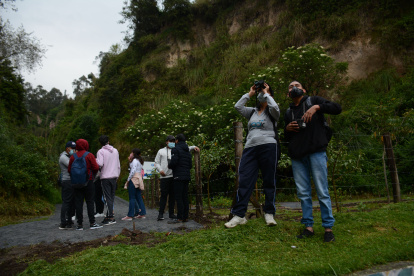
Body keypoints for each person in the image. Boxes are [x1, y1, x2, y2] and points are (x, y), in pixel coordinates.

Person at [284, 80, 341, 242]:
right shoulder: (288, 111)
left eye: (297, 86)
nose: (294, 88)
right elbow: (286, 136)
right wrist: (287, 129)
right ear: (288, 94)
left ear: (304, 89)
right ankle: (308, 227)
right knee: (303, 193)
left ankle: (328, 228)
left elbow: (337, 108)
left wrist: (317, 107)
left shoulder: (313, 101)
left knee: (322, 191)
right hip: (297, 156)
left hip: (316, 152)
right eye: (290, 87)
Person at [225, 81, 280, 228]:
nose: (261, 93)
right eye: (260, 91)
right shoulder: (252, 112)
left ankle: (269, 213)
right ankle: (239, 215)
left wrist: (267, 94)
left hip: (268, 147)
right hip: (250, 148)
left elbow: (275, 108)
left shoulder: (273, 111)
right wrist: (250, 94)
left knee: (269, 180)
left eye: (264, 91)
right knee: (245, 180)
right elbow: (238, 106)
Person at [155, 135, 200, 221]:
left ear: (176, 141)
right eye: (170, 141)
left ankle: (171, 214)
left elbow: (187, 148)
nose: (171, 142)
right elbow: (156, 162)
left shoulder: (177, 149)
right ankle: (161, 213)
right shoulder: (161, 151)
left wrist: (194, 147)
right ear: (166, 142)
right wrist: (160, 170)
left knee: (173, 196)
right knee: (164, 195)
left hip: (174, 176)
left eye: (173, 141)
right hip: (164, 176)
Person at [68, 139, 102, 230]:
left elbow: (69, 170)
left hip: (76, 183)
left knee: (78, 203)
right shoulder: (89, 155)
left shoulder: (73, 157)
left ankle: (79, 224)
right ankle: (92, 223)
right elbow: (95, 167)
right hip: (88, 181)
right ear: (86, 145)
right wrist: (91, 175)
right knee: (90, 202)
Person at [167, 134, 193, 224]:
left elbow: (174, 162)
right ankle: (185, 217)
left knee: (178, 197)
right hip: (186, 176)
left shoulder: (175, 149)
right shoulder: (187, 151)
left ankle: (179, 217)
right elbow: (190, 165)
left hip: (178, 175)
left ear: (177, 140)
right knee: (185, 197)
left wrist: (169, 165)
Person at [96, 135, 121, 226]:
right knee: (112, 196)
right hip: (114, 176)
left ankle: (111, 217)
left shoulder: (101, 151)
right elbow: (118, 164)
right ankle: (108, 215)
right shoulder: (115, 151)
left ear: (100, 143)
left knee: (107, 197)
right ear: (108, 141)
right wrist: (117, 175)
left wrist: (95, 160)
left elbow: (100, 163)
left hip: (105, 177)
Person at [122, 149, 146, 220]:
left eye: (131, 153)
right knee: (138, 196)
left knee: (132, 197)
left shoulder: (135, 161)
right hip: (139, 178)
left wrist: (128, 180)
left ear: (134, 153)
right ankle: (142, 213)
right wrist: (130, 161)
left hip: (134, 178)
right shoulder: (139, 161)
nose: (130, 154)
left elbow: (132, 171)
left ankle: (130, 215)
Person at [58, 141, 76, 229]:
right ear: (67, 148)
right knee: (66, 202)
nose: (74, 150)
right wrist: (75, 156)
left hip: (72, 181)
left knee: (72, 202)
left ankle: (69, 220)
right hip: (67, 181)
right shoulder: (63, 157)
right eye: (72, 148)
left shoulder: (70, 156)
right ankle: (63, 222)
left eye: (75, 148)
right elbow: (72, 165)